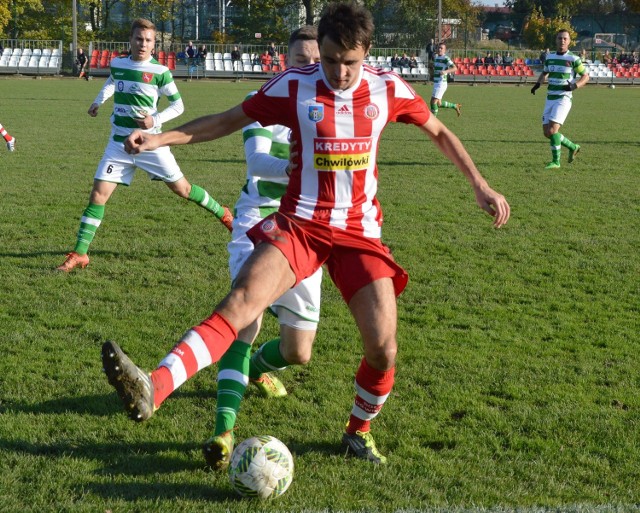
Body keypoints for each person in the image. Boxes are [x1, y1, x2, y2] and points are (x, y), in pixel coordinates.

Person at [102, 2, 510, 465]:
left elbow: (438, 130)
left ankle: (358, 431)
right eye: (330, 59)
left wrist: (479, 184)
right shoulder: (295, 85)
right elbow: (227, 120)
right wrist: (160, 138)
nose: (337, 71)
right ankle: (154, 387)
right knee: (241, 303)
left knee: (383, 348)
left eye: (348, 62)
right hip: (300, 225)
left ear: (367, 53)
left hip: (359, 233)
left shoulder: (387, 87)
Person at [202, 26, 322, 470]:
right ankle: (223, 431)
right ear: (284, 61)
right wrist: (308, 170)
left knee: (298, 352)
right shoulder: (266, 102)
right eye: (299, 59)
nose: (307, 66)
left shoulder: (329, 108)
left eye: (315, 59)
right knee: (245, 320)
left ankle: (251, 369)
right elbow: (257, 163)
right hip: (258, 219)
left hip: (307, 227)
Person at [56, 19, 233, 272]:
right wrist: (98, 102)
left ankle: (223, 213)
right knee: (98, 195)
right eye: (139, 39)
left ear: (154, 44)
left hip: (151, 143)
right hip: (118, 144)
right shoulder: (118, 63)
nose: (143, 44)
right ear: (131, 39)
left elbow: (178, 105)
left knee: (183, 189)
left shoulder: (161, 72)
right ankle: (80, 253)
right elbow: (111, 82)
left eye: (148, 40)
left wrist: (154, 119)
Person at [530, 29, 589, 170]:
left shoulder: (573, 59)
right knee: (547, 132)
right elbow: (544, 73)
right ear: (556, 40)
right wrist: (537, 84)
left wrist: (575, 86)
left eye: (565, 38)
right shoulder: (550, 57)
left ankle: (556, 162)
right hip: (550, 97)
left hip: (563, 98)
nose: (562, 41)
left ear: (569, 41)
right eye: (559, 38)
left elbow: (586, 76)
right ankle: (573, 147)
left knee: (552, 130)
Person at [431, 42, 461, 117]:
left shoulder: (445, 58)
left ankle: (433, 121)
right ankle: (455, 106)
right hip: (436, 83)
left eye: (442, 48)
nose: (440, 49)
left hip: (441, 83)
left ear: (445, 50)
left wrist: (445, 71)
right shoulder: (437, 57)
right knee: (439, 103)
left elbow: (455, 68)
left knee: (433, 101)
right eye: (439, 48)